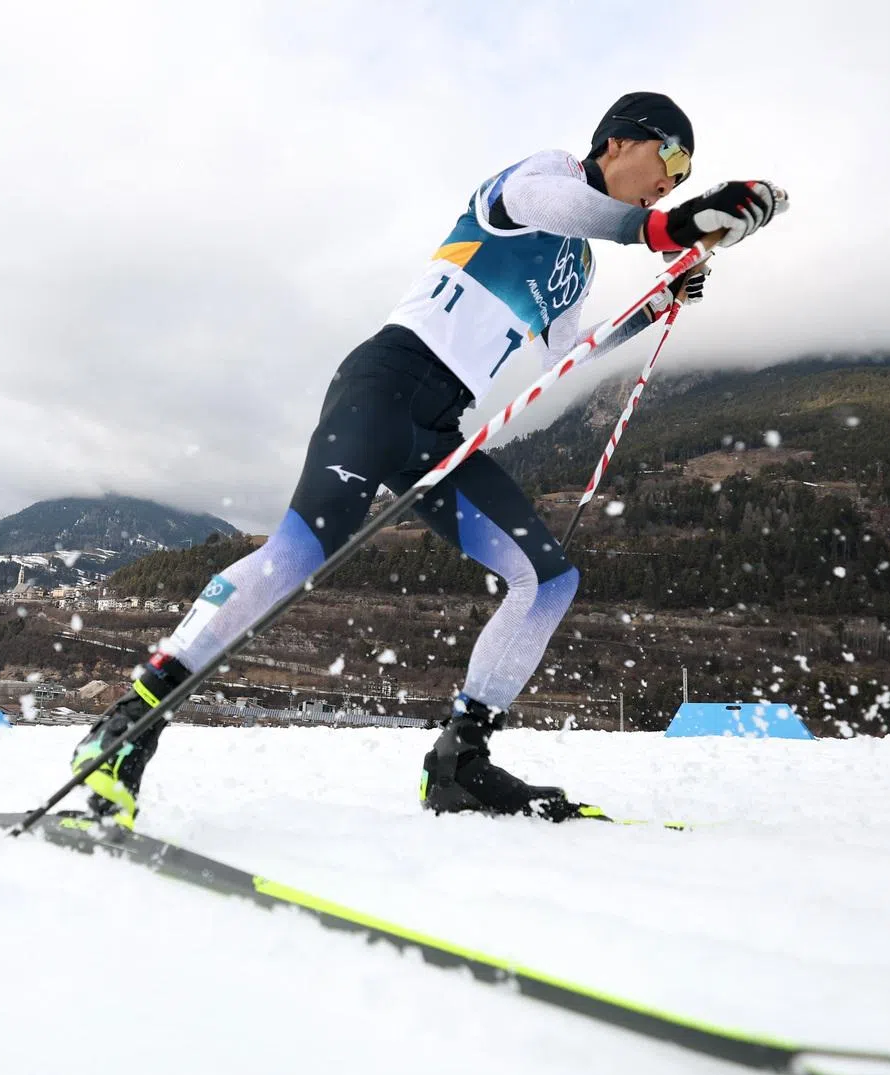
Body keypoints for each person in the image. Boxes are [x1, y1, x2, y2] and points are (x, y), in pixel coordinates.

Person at [71, 91, 787, 827]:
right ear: (619, 143)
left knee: (546, 579)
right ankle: (124, 728)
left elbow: (568, 351)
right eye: (671, 160)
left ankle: (459, 762)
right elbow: (558, 205)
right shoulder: (543, 181)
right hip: (384, 386)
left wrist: (654, 305)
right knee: (293, 559)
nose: (673, 178)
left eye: (685, 173)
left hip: (438, 428)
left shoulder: (577, 264)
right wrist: (665, 227)